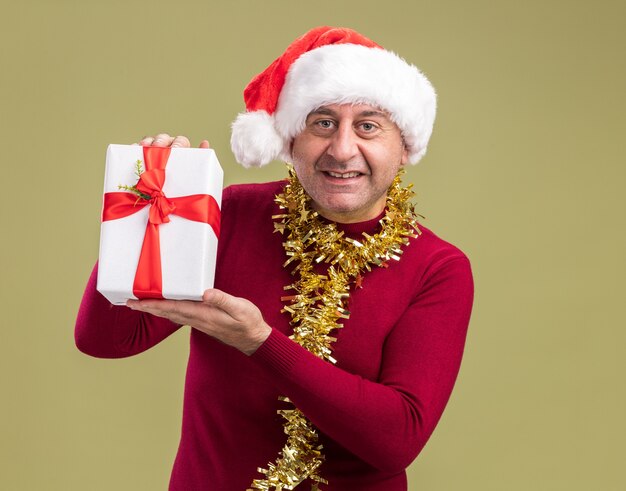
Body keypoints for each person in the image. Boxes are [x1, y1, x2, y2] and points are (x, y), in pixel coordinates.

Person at [75, 26, 474, 491]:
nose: (343, 149)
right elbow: (106, 339)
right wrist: (145, 215)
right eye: (322, 122)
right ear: (289, 141)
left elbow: (395, 441)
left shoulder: (437, 267)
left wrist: (260, 342)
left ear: (404, 147)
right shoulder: (235, 213)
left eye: (368, 126)